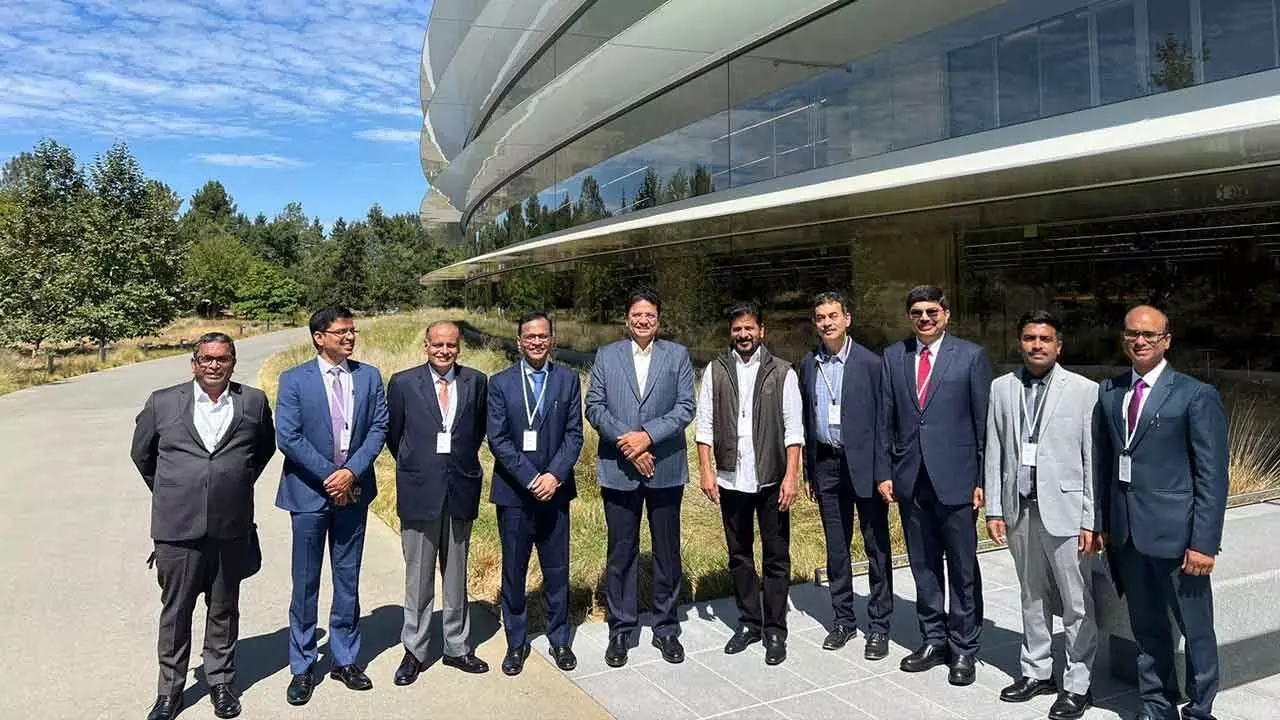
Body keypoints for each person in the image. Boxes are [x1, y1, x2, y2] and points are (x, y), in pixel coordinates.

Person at [131, 333, 276, 720]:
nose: (215, 365)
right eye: (207, 359)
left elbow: (262, 451)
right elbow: (142, 454)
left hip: (231, 527)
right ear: (194, 363)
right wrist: (176, 491)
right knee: (176, 611)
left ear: (233, 362)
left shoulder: (253, 402)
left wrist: (231, 485)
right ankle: (170, 692)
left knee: (224, 610)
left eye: (223, 359)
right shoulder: (163, 402)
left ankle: (222, 682)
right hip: (177, 528)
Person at [1094, 305, 1228, 720]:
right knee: (1147, 627)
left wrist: (1203, 543)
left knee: (1196, 629)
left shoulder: (1194, 394)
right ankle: (1157, 704)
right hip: (1129, 536)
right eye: (1132, 333)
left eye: (1150, 335)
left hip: (1179, 538)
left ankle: (1201, 708)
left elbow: (1212, 475)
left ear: (1166, 340)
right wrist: (1102, 524)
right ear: (1123, 338)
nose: (1140, 341)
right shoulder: (1110, 391)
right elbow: (1103, 463)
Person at [984, 310, 1099, 720]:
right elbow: (995, 451)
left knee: (1076, 601)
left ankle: (1077, 683)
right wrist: (994, 508)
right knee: (1031, 595)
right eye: (1030, 337)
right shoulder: (1002, 388)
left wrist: (1091, 519)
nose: (1037, 345)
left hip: (1067, 512)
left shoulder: (1084, 391)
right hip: (1020, 509)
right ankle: (1036, 671)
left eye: (1045, 339)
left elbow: (1091, 459)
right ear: (1020, 342)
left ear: (1058, 346)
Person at [274, 307, 389, 705]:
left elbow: (379, 428)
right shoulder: (294, 380)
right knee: (305, 583)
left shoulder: (369, 376)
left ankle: (344, 659)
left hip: (353, 493)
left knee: (347, 577)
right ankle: (303, 666)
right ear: (318, 337)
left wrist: (351, 473)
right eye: (341, 332)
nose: (350, 337)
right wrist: (331, 476)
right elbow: (287, 437)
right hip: (308, 494)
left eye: (352, 331)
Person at [880, 285, 992, 686]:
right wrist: (884, 472)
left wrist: (983, 480)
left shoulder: (971, 356)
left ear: (946, 313)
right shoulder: (894, 357)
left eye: (931, 311)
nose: (924, 318)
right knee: (923, 565)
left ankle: (964, 647)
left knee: (962, 567)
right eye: (916, 313)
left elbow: (984, 426)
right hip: (911, 478)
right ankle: (933, 638)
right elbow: (885, 419)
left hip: (958, 479)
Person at [585, 287, 695, 668]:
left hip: (665, 466)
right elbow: (594, 406)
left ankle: (666, 628)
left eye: (650, 315)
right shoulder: (606, 355)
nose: (643, 320)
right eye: (637, 314)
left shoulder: (677, 356)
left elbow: (685, 408)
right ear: (627, 318)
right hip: (619, 469)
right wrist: (628, 444)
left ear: (658, 320)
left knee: (666, 553)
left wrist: (647, 436)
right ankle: (621, 629)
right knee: (621, 551)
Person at [695, 301, 802, 665]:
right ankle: (748, 622)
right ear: (731, 332)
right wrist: (706, 470)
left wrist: (791, 475)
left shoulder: (783, 372)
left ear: (762, 331)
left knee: (776, 556)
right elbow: (704, 425)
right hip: (730, 478)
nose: (743, 334)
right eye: (737, 329)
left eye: (749, 328)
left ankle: (774, 629)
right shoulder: (716, 370)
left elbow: (794, 431)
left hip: (771, 479)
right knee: (739, 556)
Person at [385, 321, 490, 687]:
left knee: (457, 573)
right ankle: (414, 650)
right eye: (437, 344)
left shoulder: (476, 381)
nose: (444, 350)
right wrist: (421, 466)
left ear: (459, 347)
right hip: (419, 489)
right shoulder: (402, 382)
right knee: (418, 575)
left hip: (459, 488)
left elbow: (476, 432)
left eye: (451, 345)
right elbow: (394, 436)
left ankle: (457, 647)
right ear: (426, 346)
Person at [797, 291, 894, 661]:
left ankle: (880, 626)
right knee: (836, 548)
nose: (827, 322)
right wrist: (809, 469)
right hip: (826, 466)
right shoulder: (808, 364)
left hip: (866, 469)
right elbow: (807, 420)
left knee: (875, 548)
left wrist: (884, 472)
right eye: (820, 317)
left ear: (847, 318)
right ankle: (843, 621)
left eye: (833, 315)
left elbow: (884, 423)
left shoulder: (871, 363)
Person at [487, 311, 584, 675]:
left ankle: (560, 639)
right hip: (515, 494)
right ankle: (516, 642)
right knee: (514, 570)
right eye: (530, 336)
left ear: (552, 340)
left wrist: (554, 476)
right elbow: (497, 438)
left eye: (543, 336)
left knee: (557, 569)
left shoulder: (567, 380)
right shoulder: (500, 383)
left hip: (555, 493)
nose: (537, 342)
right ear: (519, 341)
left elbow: (574, 434)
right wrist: (532, 479)